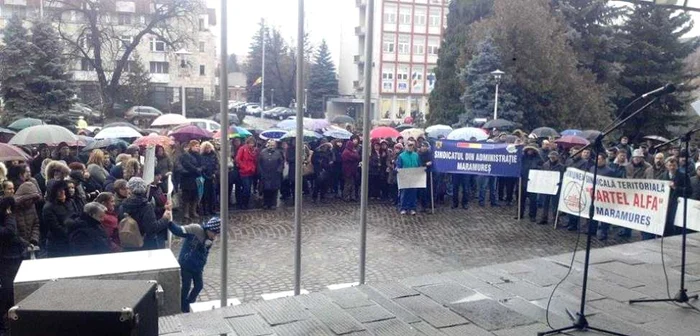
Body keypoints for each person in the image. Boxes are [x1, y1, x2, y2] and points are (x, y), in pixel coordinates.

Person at [168, 217, 220, 313]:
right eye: (215, 233)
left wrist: (205, 248)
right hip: (186, 264)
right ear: (209, 229)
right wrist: (169, 222)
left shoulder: (209, 240)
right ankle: (183, 306)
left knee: (199, 286)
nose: (215, 236)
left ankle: (188, 303)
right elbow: (179, 231)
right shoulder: (196, 229)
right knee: (186, 286)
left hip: (197, 267)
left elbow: (205, 254)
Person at [118, 177, 172, 250]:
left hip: (129, 243)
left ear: (129, 189)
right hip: (145, 245)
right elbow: (152, 228)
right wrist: (165, 218)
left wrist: (163, 208)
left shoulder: (122, 206)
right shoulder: (146, 206)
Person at [0, 197, 21, 335]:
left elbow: (14, 236)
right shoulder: (8, 219)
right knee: (7, 292)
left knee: (10, 292)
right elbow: (10, 232)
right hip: (5, 260)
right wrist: (8, 216)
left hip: (11, 258)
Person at [660, 157, 692, 237]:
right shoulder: (663, 175)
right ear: (666, 166)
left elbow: (689, 191)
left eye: (674, 165)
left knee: (674, 223)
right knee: (665, 222)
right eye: (670, 165)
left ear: (677, 166)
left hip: (677, 204)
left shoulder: (684, 176)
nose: (672, 167)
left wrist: (676, 188)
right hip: (665, 204)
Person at [43, 180, 74, 257]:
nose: (62, 192)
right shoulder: (48, 207)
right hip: (57, 244)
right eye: (59, 191)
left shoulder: (71, 202)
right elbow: (55, 228)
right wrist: (70, 234)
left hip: (72, 241)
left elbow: (76, 216)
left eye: (63, 190)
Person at [12, 182, 41, 255]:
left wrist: (34, 239)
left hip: (31, 246)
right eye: (29, 198)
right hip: (16, 248)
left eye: (33, 199)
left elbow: (36, 223)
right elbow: (12, 229)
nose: (31, 201)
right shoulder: (13, 208)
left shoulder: (32, 206)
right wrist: (24, 243)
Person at [538, 151, 565, 225]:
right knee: (545, 203)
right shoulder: (545, 165)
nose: (552, 158)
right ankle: (544, 218)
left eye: (553, 157)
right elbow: (542, 174)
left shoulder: (561, 166)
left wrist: (559, 182)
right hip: (547, 187)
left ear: (557, 157)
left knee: (555, 205)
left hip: (556, 187)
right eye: (551, 157)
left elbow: (563, 177)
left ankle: (556, 219)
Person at [258, 140, 285, 209]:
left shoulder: (278, 152)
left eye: (273, 145)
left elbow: (281, 162)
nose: (271, 146)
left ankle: (273, 203)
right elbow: (259, 162)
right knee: (266, 189)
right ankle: (266, 203)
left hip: (275, 174)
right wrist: (261, 171)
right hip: (265, 173)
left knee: (274, 189)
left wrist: (279, 170)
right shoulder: (263, 152)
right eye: (270, 145)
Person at [519, 143, 543, 222]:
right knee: (521, 199)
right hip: (523, 181)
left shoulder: (538, 159)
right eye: (529, 149)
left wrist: (536, 169)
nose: (530, 151)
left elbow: (542, 167)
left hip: (533, 182)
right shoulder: (522, 157)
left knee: (533, 200)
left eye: (532, 150)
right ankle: (520, 213)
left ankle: (532, 216)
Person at [396, 141, 421, 215]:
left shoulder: (416, 155)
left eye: (411, 145)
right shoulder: (401, 156)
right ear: (405, 146)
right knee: (404, 193)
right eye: (409, 145)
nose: (410, 147)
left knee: (413, 193)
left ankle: (412, 208)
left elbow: (419, 165)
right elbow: (398, 166)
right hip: (405, 176)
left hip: (414, 176)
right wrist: (397, 169)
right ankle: (403, 208)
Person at [179, 140, 202, 220]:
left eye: (198, 146)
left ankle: (194, 211)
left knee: (195, 196)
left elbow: (202, 164)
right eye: (196, 146)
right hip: (187, 178)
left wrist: (201, 168)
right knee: (187, 197)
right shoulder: (186, 155)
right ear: (191, 147)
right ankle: (186, 213)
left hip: (196, 178)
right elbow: (187, 164)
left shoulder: (199, 155)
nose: (198, 148)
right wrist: (196, 169)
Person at [235, 137, 258, 210]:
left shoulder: (254, 151)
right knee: (246, 188)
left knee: (248, 188)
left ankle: (246, 203)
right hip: (244, 172)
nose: (251, 144)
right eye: (250, 143)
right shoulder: (243, 149)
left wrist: (253, 168)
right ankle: (243, 203)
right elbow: (238, 159)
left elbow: (254, 161)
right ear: (247, 143)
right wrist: (244, 167)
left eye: (253, 143)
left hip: (251, 171)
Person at [199, 141, 219, 216]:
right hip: (205, 177)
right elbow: (201, 167)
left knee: (212, 194)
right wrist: (205, 175)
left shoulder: (214, 155)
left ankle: (212, 209)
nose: (208, 149)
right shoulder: (201, 156)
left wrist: (214, 173)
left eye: (209, 148)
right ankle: (205, 209)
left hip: (213, 177)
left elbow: (217, 165)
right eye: (206, 148)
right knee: (205, 195)